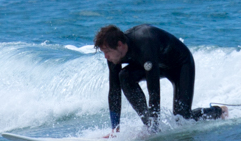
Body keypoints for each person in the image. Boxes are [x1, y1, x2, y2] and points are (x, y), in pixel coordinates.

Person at [94, 24, 226, 132]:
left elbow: (154, 90)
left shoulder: (144, 43)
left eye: (107, 52)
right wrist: (115, 129)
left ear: (120, 45)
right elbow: (114, 91)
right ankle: (147, 123)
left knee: (182, 119)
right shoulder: (114, 57)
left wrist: (154, 130)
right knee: (124, 77)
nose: (106, 57)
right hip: (158, 65)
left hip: (180, 65)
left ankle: (218, 111)